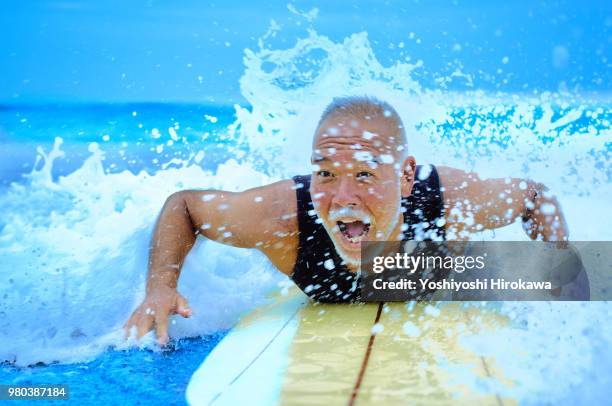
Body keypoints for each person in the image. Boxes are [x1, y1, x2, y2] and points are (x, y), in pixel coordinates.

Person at [124, 96, 568, 345]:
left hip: (441, 271)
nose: (341, 198)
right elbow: (184, 206)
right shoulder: (284, 219)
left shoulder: (450, 204)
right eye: (325, 174)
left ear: (406, 176)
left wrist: (555, 276)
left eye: (364, 175)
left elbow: (535, 197)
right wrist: (161, 286)